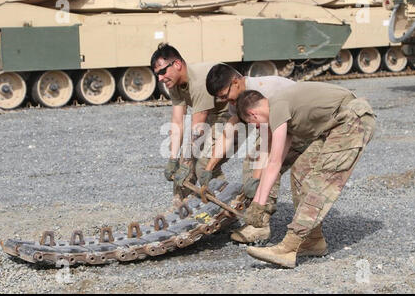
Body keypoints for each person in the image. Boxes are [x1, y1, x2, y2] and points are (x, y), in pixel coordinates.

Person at [236, 82, 375, 268]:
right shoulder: (282, 109)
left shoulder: (276, 107)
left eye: (254, 125)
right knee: (301, 170)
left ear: (252, 115)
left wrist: (258, 205)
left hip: (352, 119)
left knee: (321, 182)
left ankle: (289, 247)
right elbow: (274, 164)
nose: (258, 128)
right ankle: (312, 241)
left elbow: (274, 162)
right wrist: (258, 204)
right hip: (335, 125)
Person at [204, 63, 309, 244]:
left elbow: (268, 146)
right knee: (254, 162)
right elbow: (229, 132)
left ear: (236, 82)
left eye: (225, 95)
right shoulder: (237, 99)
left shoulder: (266, 91)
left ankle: (260, 224)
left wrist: (257, 177)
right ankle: (255, 213)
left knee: (268, 167)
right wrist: (209, 167)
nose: (225, 101)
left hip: (303, 125)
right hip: (283, 127)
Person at [150, 44, 230, 208]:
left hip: (232, 111)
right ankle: (182, 209)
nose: (159, 78)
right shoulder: (174, 83)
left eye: (162, 72)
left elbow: (198, 127)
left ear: (177, 65)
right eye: (157, 74)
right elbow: (178, 122)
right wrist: (173, 160)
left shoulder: (199, 81)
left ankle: (224, 206)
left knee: (204, 163)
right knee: (183, 162)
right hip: (211, 113)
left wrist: (187, 163)